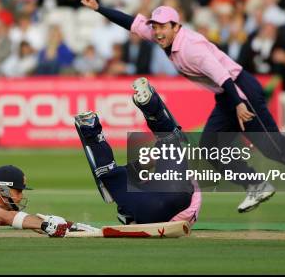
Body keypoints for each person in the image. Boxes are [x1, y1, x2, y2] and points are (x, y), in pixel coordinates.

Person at [80, 0, 285, 213]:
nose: (156, 32)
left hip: (240, 92)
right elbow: (130, 22)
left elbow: (224, 76)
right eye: (154, 27)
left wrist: (239, 104)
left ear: (176, 26)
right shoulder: (164, 37)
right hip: (227, 97)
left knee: (273, 147)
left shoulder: (191, 47)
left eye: (162, 26)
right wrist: (99, 7)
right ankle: (256, 185)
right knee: (210, 148)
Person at [74, 77, 201, 226]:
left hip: (151, 208)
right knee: (169, 142)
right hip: (177, 195)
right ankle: (93, 131)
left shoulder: (138, 192)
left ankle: (93, 133)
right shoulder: (141, 187)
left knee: (112, 175)